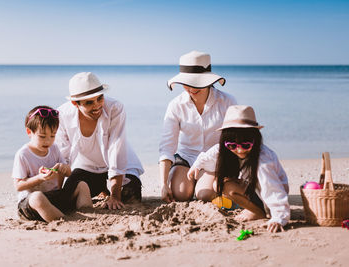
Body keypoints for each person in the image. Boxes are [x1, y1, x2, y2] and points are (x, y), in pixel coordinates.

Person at [187, 105, 290, 233]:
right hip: (254, 189)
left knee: (226, 186)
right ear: (225, 142)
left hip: (268, 197)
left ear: (255, 140)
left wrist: (279, 217)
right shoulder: (224, 149)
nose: (239, 150)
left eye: (246, 145)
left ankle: (258, 211)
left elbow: (272, 189)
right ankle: (253, 207)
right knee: (218, 184)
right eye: (232, 145)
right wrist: (197, 165)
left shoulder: (263, 161)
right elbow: (212, 154)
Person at [56, 72, 144, 210]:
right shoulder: (62, 115)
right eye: (89, 102)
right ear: (75, 103)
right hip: (87, 167)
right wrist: (57, 193)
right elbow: (62, 157)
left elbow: (117, 148)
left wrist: (115, 195)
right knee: (69, 198)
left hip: (122, 168)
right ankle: (102, 188)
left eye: (100, 98)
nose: (97, 106)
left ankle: (109, 189)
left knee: (129, 198)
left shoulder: (115, 108)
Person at [159, 50, 237, 202]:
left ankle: (209, 183)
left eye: (197, 83)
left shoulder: (227, 101)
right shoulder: (175, 105)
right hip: (186, 157)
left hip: (215, 157)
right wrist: (162, 184)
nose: (191, 88)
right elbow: (167, 146)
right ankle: (183, 181)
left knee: (204, 195)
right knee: (181, 194)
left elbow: (233, 141)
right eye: (187, 83)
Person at [12, 105, 92, 222]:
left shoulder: (54, 149)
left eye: (52, 136)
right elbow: (18, 185)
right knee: (37, 197)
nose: (48, 141)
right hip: (32, 205)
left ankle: (88, 213)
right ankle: (63, 221)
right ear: (29, 132)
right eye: (42, 136)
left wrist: (64, 168)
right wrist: (40, 178)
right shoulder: (23, 154)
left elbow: (68, 173)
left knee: (81, 185)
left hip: (54, 198)